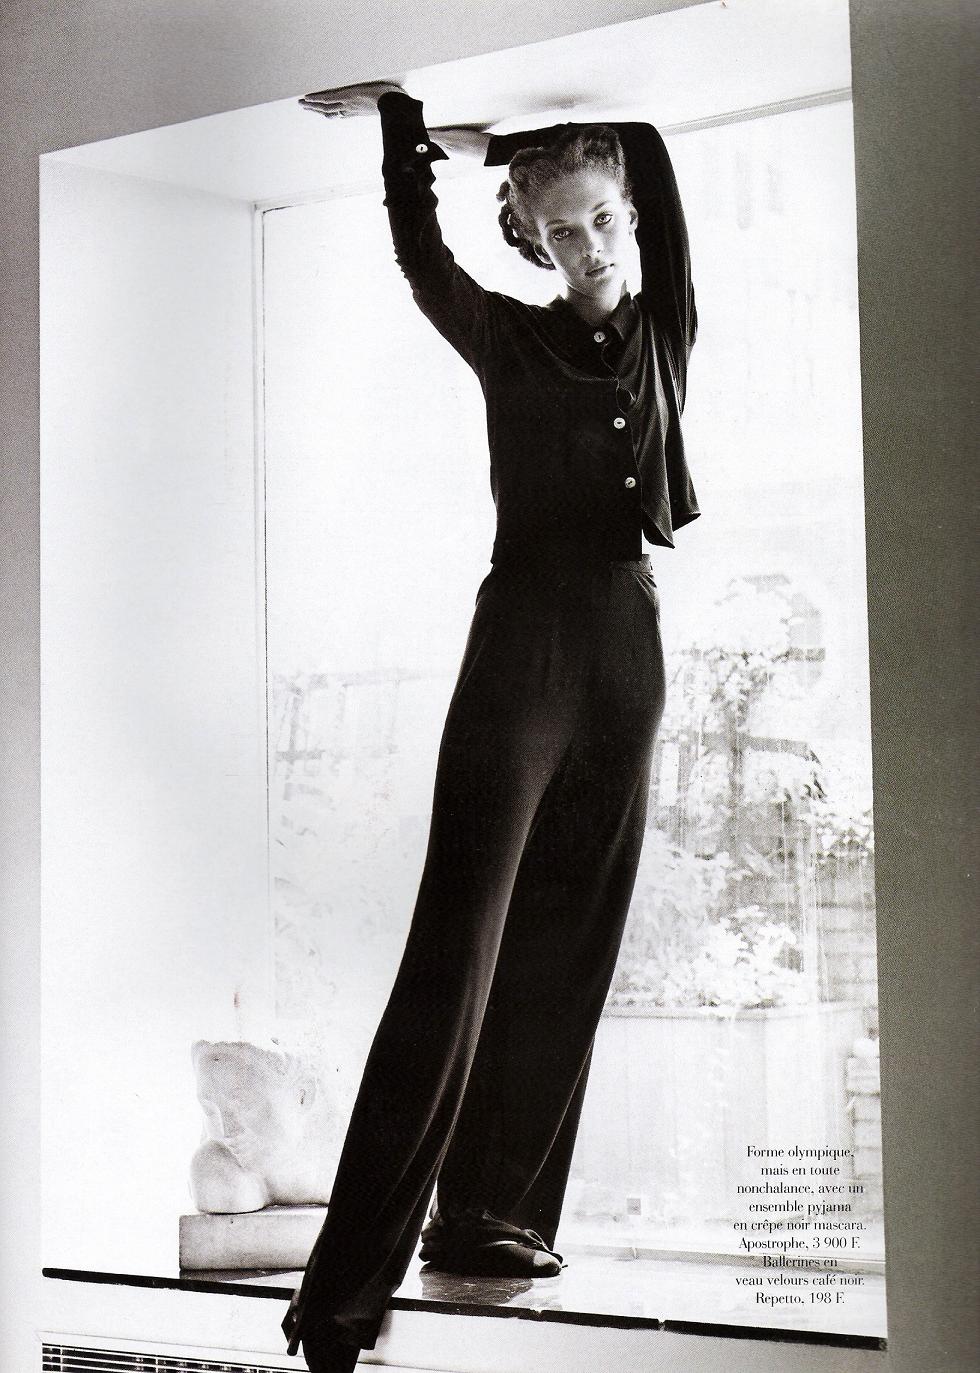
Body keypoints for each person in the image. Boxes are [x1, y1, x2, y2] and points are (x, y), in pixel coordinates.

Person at [283, 77, 699, 1372]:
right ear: (531, 238)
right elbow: (422, 261)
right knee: (456, 943)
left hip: (629, 641)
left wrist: (515, 143)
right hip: (523, 641)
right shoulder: (507, 339)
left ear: (630, 219)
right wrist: (410, 132)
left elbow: (654, 159)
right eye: (562, 228)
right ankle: (342, 1290)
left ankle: (491, 1218)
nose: (592, 244)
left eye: (604, 219)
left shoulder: (667, 325)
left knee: (573, 936)